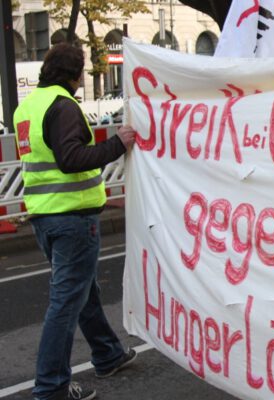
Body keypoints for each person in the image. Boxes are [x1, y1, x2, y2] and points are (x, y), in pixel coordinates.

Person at [13, 43, 138, 400]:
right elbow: (72, 158)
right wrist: (117, 144)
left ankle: (108, 354)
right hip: (73, 217)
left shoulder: (28, 107)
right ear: (74, 74)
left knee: (83, 292)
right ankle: (51, 386)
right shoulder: (63, 106)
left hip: (45, 215)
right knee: (67, 302)